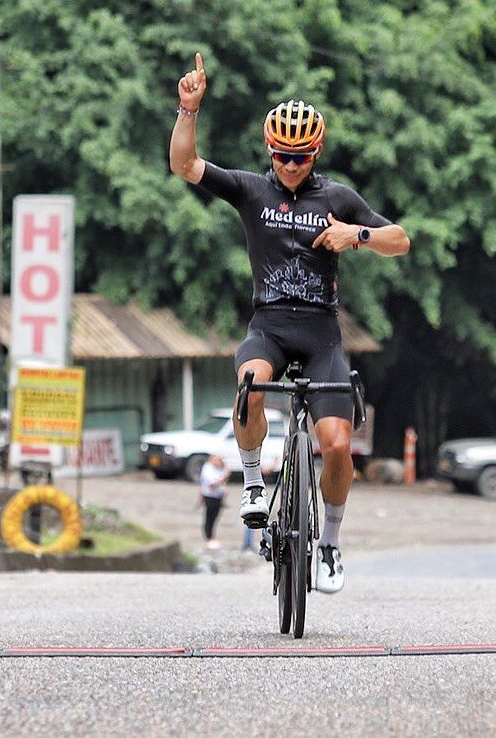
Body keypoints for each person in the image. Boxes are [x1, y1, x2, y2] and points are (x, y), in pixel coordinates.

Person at [169, 53, 410, 593]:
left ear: (315, 152)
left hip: (323, 334)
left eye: (300, 157)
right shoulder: (253, 190)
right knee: (250, 383)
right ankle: (253, 483)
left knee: (339, 444)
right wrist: (188, 111)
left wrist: (357, 236)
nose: (291, 166)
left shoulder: (338, 197)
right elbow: (185, 166)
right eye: (282, 156)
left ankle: (328, 544)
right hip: (271, 327)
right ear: (269, 151)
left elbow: (402, 240)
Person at [199, 454, 230, 549]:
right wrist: (224, 477)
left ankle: (212, 536)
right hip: (209, 496)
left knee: (215, 517)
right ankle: (208, 538)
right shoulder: (208, 468)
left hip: (218, 496)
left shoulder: (220, 469)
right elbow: (212, 484)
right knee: (209, 517)